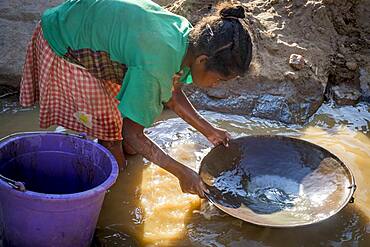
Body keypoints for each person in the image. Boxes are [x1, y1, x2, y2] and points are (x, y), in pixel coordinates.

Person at [20, 0, 253, 198]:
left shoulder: (187, 38)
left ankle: (120, 162)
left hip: (93, 31)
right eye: (220, 79)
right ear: (202, 61)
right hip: (65, 41)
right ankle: (114, 191)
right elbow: (132, 132)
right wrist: (182, 172)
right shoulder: (156, 65)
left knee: (129, 142)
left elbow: (171, 93)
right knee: (111, 134)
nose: (217, 85)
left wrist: (209, 131)